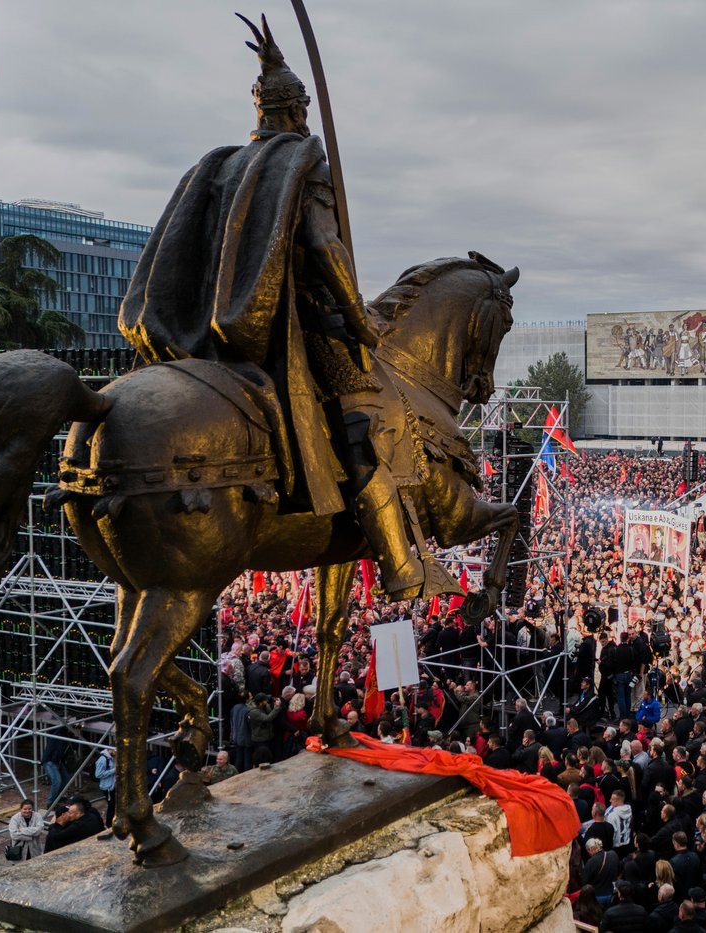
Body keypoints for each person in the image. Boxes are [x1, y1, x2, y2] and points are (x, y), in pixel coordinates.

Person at [118, 13, 458, 603]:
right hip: (298, 328)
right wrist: (361, 319)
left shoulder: (219, 166)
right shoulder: (303, 164)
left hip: (213, 333)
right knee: (366, 418)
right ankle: (399, 561)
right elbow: (326, 248)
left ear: (260, 112)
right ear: (299, 111)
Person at [95, 746, 117, 828]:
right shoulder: (103, 759)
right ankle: (109, 824)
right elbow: (98, 774)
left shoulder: (112, 757)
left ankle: (111, 822)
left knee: (114, 804)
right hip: (107, 787)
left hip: (112, 785)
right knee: (111, 805)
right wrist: (113, 771)